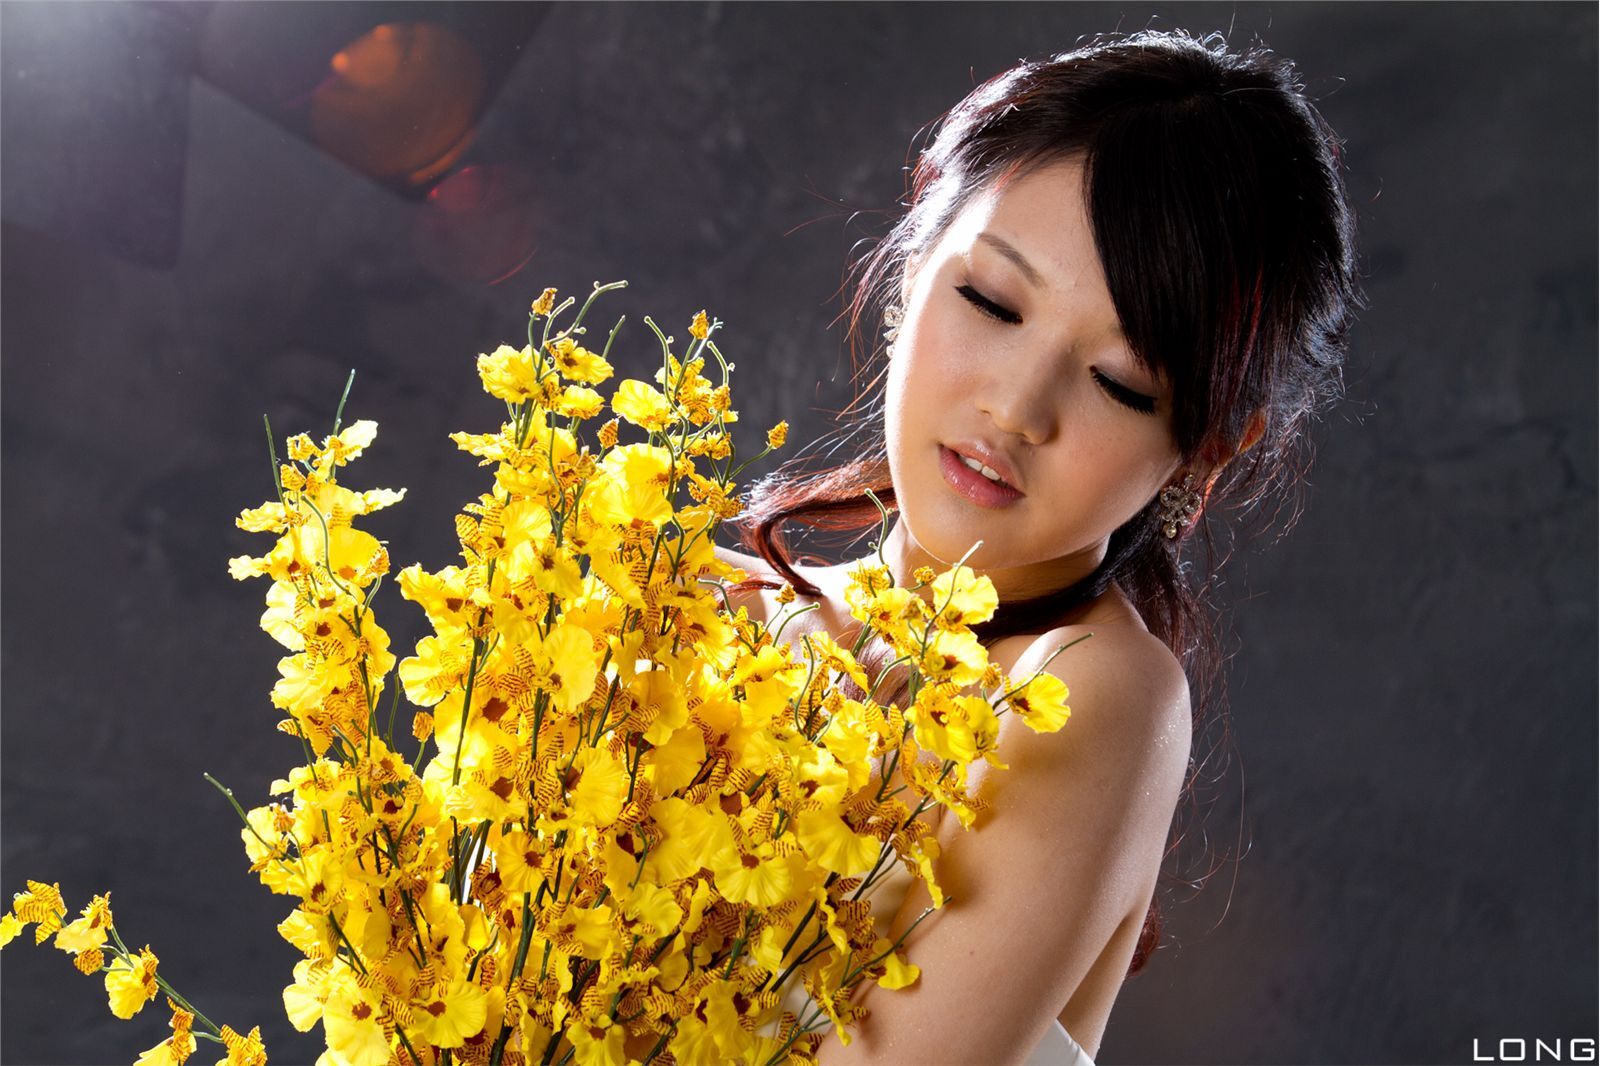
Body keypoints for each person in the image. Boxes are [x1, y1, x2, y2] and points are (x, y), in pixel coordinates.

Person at [716, 27, 1365, 1066]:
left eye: (1118, 382)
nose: (1016, 409)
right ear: (912, 260)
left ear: (1205, 445)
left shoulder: (1093, 694)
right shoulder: (717, 619)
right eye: (991, 300)